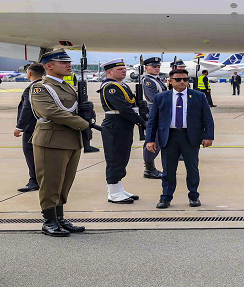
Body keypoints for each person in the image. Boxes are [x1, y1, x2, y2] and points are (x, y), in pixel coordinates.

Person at [29, 49, 91, 237]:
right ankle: (49, 220)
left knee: (64, 182)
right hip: (51, 141)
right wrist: (83, 123)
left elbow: (72, 110)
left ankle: (59, 218)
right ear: (49, 66)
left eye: (68, 62)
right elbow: (51, 112)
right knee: (50, 182)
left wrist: (87, 112)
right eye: (63, 62)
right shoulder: (40, 87)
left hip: (72, 140)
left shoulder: (67, 86)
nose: (68, 65)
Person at [146, 68, 215, 209]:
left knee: (192, 168)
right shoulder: (161, 97)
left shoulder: (198, 96)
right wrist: (150, 139)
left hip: (190, 136)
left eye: (185, 79)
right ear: (170, 81)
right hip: (168, 137)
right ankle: (166, 197)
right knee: (168, 170)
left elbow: (207, 118)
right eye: (178, 79)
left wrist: (208, 136)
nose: (182, 82)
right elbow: (153, 120)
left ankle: (194, 196)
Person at [98, 58, 148, 204]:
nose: (124, 71)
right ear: (109, 72)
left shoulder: (122, 85)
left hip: (123, 125)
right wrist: (141, 121)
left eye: (124, 69)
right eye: (120, 69)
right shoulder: (110, 87)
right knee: (115, 159)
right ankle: (113, 193)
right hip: (115, 124)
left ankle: (118, 189)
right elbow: (124, 109)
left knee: (122, 157)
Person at [14, 63, 45, 193]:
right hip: (46, 127)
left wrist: (19, 127)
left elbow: (27, 109)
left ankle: (34, 180)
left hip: (32, 128)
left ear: (30, 73)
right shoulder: (47, 86)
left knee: (30, 153)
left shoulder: (31, 88)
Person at [141, 57, 166, 179]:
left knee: (159, 140)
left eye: (158, 67)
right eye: (154, 67)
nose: (157, 69)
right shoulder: (148, 81)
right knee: (153, 141)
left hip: (161, 113)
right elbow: (154, 98)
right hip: (155, 113)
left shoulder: (156, 80)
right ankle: (149, 169)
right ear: (146, 68)